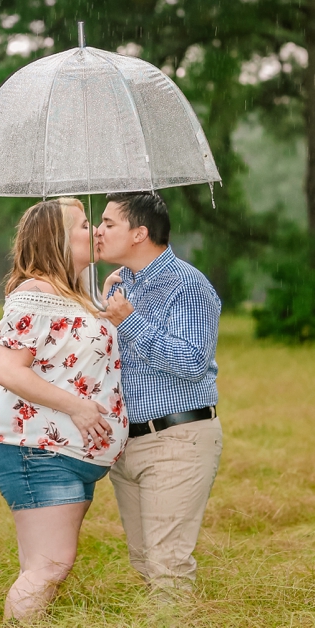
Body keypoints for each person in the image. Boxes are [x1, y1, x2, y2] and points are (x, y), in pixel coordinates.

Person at [0, 197, 128, 628]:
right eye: (85, 225)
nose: (95, 231)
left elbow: (71, 359)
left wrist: (109, 315)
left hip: (64, 455)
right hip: (35, 450)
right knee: (50, 566)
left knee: (41, 567)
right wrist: (78, 408)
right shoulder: (36, 292)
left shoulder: (71, 296)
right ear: (57, 239)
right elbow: (8, 370)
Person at [95, 190, 222, 594]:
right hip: (127, 445)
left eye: (108, 223)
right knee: (144, 563)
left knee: (168, 568)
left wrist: (127, 322)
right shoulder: (122, 285)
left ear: (139, 233)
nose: (98, 231)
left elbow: (191, 361)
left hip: (176, 439)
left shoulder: (186, 285)